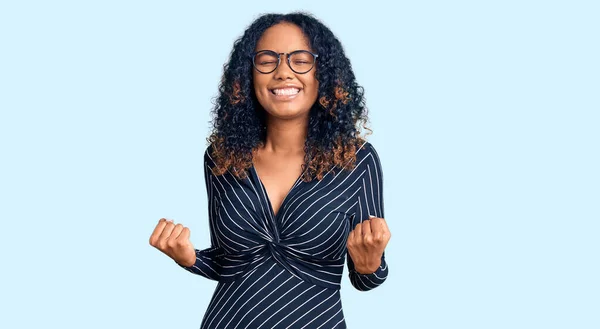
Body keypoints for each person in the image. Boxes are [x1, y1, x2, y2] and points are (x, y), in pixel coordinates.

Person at [149, 12, 391, 329]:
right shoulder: (222, 158)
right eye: (267, 60)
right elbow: (230, 263)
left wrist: (369, 263)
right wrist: (188, 257)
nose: (282, 72)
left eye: (300, 60)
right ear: (248, 74)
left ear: (324, 74)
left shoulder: (356, 160)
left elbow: (367, 279)